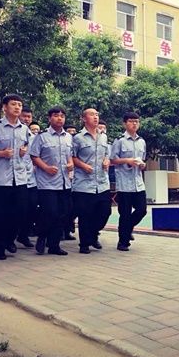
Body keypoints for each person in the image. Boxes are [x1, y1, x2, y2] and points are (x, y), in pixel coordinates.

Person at [0, 95, 33, 260]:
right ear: (5, 107)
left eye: (19, 105)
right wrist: (1, 153)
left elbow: (27, 144)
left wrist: (24, 150)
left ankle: (9, 239)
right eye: (13, 104)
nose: (17, 107)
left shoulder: (24, 129)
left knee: (20, 212)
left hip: (19, 177)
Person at [29, 106, 74, 256]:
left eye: (62, 116)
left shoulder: (68, 137)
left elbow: (70, 154)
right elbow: (34, 155)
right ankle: (42, 236)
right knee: (49, 211)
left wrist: (70, 164)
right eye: (56, 115)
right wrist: (46, 168)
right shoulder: (42, 136)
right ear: (49, 118)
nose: (59, 118)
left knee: (63, 213)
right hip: (47, 182)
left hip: (64, 181)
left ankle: (54, 244)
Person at [71, 108, 111, 254]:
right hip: (84, 183)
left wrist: (106, 160)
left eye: (97, 115)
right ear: (84, 119)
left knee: (104, 212)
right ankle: (84, 244)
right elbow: (72, 156)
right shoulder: (78, 138)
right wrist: (83, 165)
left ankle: (93, 234)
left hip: (102, 183)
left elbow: (107, 154)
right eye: (92, 115)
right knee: (85, 215)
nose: (95, 117)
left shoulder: (103, 137)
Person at [110, 112, 147, 252]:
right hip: (124, 183)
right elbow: (112, 160)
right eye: (131, 121)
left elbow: (143, 159)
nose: (134, 124)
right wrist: (127, 161)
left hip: (138, 183)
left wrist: (142, 165)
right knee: (125, 214)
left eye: (136, 121)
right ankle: (123, 242)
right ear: (125, 124)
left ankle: (128, 228)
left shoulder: (142, 141)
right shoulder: (119, 141)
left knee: (142, 210)